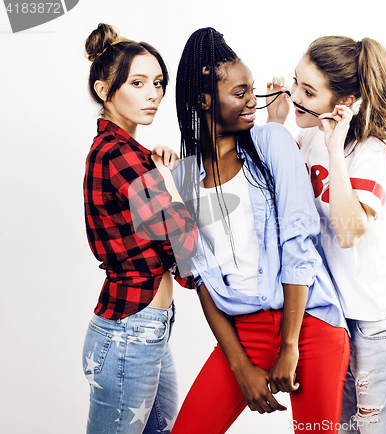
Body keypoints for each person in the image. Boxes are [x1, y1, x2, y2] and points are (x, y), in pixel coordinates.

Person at [170, 28, 350, 434]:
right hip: (242, 333)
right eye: (239, 92)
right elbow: (198, 277)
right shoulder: (183, 178)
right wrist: (239, 366)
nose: (253, 100)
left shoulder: (271, 141)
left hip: (308, 325)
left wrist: (289, 347)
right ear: (204, 100)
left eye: (252, 89)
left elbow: (298, 241)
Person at [266, 36, 386, 433]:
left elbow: (349, 232)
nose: (294, 94)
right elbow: (275, 204)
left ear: (344, 102)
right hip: (333, 319)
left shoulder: (374, 151)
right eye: (296, 81)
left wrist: (335, 151)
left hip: (375, 323)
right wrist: (275, 125)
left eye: (308, 91)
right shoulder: (309, 133)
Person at [81, 23, 198, 434]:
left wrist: (159, 167)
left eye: (158, 83)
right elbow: (185, 243)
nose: (153, 94)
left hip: (144, 327)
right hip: (132, 330)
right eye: (138, 82)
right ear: (103, 90)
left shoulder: (129, 152)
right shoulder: (119, 156)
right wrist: (166, 179)